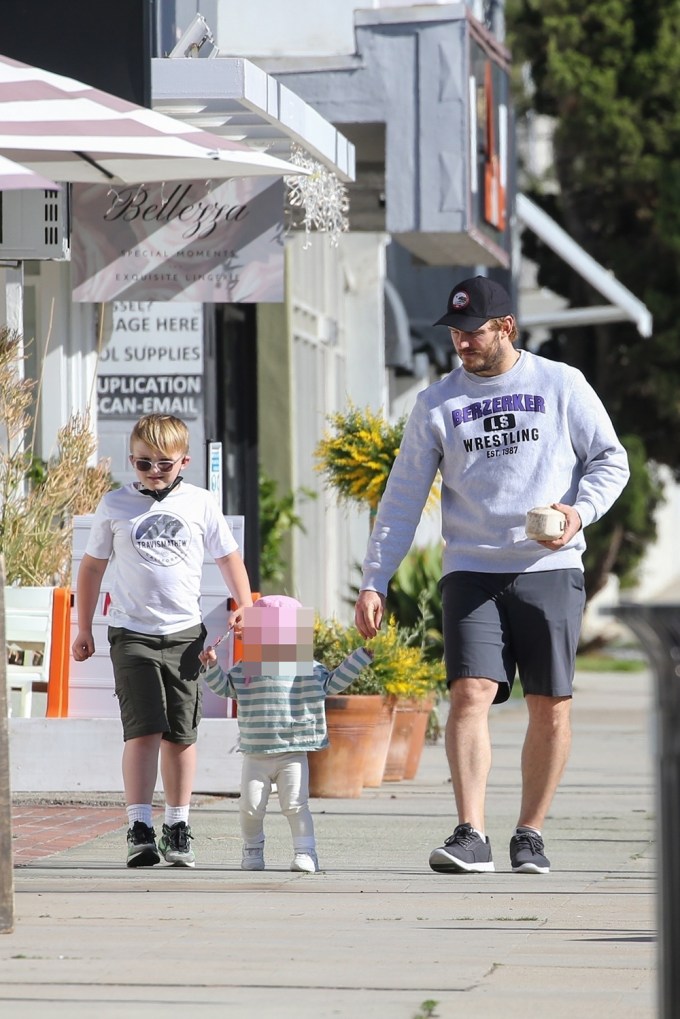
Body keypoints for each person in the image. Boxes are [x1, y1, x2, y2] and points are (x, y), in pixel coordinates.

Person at [354, 275, 629, 875]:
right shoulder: (436, 403)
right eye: (455, 331)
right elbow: (402, 497)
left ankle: (528, 833)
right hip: (472, 567)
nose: (461, 342)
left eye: (472, 330)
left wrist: (577, 512)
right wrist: (375, 577)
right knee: (469, 691)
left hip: (549, 566)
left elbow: (612, 459)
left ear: (505, 327)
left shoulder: (560, 384)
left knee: (550, 704)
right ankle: (470, 832)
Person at [72, 413, 253, 869]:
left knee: (180, 735)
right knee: (143, 729)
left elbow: (229, 557)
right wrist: (83, 627)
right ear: (131, 461)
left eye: (164, 465)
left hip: (185, 635)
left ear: (185, 461)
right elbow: (92, 568)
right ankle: (138, 826)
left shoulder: (201, 503)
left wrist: (244, 603)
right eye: (143, 463)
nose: (153, 472)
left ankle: (177, 824)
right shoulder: (115, 505)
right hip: (131, 632)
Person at [199, 594, 372, 873]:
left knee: (295, 805)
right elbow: (226, 688)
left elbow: (332, 683)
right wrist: (211, 666)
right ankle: (253, 848)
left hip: (293, 752)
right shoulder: (247, 669)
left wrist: (359, 659)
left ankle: (306, 852)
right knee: (250, 807)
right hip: (256, 754)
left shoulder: (308, 669)